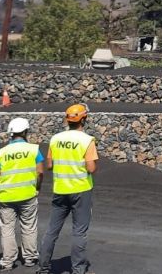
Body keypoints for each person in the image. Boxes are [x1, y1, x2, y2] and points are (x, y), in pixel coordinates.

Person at [38, 103, 98, 274]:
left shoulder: (55, 139)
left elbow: (49, 165)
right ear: (84, 119)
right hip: (81, 190)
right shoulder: (87, 140)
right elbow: (91, 168)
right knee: (79, 232)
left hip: (60, 190)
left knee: (52, 231)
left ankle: (43, 267)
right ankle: (78, 269)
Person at [0, 117, 44, 271]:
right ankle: (30, 258)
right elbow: (40, 172)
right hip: (28, 195)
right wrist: (37, 188)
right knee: (29, 227)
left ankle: (7, 261)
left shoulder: (1, 153)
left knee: (7, 229)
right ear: (25, 132)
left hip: (7, 197)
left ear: (11, 134)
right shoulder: (34, 150)